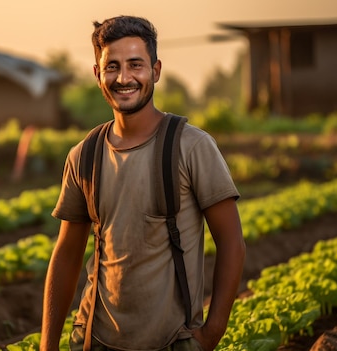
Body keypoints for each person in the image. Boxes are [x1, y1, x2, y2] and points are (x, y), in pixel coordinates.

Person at [40, 15, 245, 351]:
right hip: (94, 339)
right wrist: (48, 346)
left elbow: (232, 242)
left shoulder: (191, 146)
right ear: (97, 75)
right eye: (112, 67)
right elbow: (66, 253)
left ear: (156, 70)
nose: (124, 78)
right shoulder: (84, 156)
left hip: (172, 340)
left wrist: (212, 332)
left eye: (136, 65)